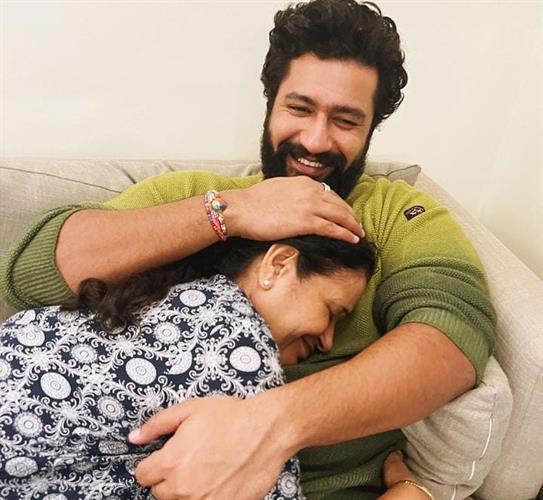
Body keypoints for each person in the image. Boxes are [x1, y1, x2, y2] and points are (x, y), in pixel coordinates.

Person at [0, 0, 496, 498]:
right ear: (270, 102)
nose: (315, 140)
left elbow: (455, 337)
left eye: (346, 120)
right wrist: (230, 212)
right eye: (299, 108)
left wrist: (269, 425)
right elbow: (31, 275)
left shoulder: (394, 214)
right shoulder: (198, 194)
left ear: (371, 129)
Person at [0, 235, 374, 499]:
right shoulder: (239, 352)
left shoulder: (160, 297)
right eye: (331, 312)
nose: (328, 340)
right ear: (278, 265)